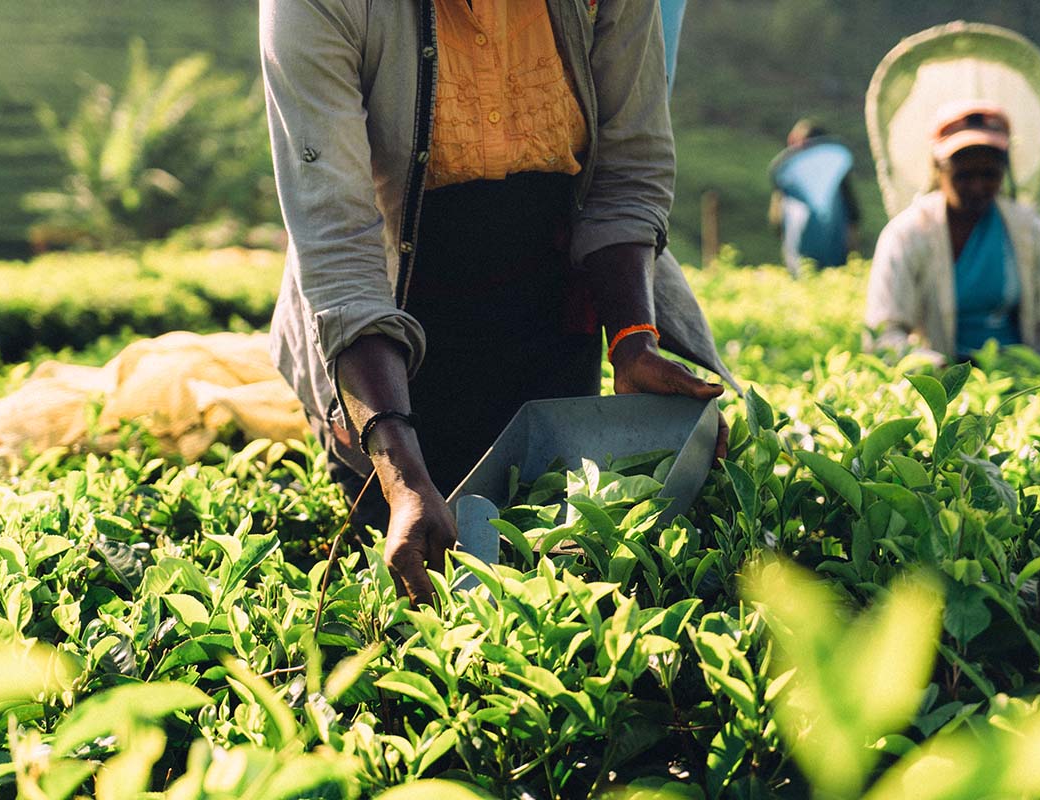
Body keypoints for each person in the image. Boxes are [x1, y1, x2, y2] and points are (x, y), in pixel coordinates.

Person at [260, 0, 734, 605]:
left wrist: (633, 339)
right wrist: (401, 475)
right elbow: (339, 247)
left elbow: (628, 167)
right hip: (387, 338)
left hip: (548, 306)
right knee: (412, 594)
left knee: (557, 571)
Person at [864, 100, 1040, 365]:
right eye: (964, 175)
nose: (978, 186)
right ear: (938, 169)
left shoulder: (1027, 229)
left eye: (989, 174)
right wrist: (935, 368)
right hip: (945, 385)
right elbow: (883, 334)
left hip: (1020, 378)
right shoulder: (908, 234)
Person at [768, 119, 861, 276]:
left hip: (830, 253)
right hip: (809, 257)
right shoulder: (790, 181)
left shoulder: (833, 178)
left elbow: (852, 216)